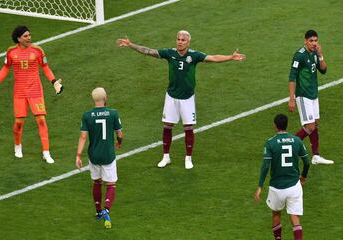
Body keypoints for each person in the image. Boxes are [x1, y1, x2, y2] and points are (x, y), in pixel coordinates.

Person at [117, 30, 245, 169]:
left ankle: (188, 158)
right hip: (171, 96)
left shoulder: (194, 55)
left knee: (188, 128)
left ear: (188, 42)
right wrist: (131, 45)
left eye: (183, 40)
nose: (179, 41)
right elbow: (149, 51)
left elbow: (213, 58)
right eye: (178, 39)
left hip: (187, 98)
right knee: (167, 126)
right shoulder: (170, 53)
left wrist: (230, 57)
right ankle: (166, 157)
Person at [0, 25, 63, 163]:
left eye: (29, 35)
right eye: (25, 36)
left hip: (35, 91)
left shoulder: (38, 51)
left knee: (41, 120)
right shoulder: (11, 52)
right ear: (18, 38)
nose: (29, 38)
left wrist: (54, 83)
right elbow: (5, 68)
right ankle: (17, 145)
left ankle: (46, 152)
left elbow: (45, 67)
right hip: (20, 92)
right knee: (19, 123)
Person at [255, 114, 310, 240]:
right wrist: (303, 177)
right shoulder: (297, 140)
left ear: (275, 126)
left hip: (277, 187)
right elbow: (307, 162)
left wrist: (259, 186)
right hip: (294, 186)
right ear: (287, 125)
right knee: (295, 218)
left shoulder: (270, 143)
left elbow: (265, 166)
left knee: (276, 215)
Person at [76, 87, 123, 229]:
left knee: (97, 182)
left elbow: (83, 137)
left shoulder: (87, 115)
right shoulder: (113, 114)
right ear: (105, 98)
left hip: (94, 155)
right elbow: (120, 134)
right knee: (111, 184)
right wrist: (118, 143)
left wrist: (78, 155)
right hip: (108, 154)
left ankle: (98, 212)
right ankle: (106, 209)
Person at [288, 29, 333, 165]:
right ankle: (289, 146)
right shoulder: (299, 56)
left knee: (315, 124)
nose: (314, 43)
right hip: (303, 96)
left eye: (315, 40)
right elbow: (292, 77)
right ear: (305, 41)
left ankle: (316, 156)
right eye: (311, 41)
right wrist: (291, 98)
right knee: (310, 126)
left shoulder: (315, 53)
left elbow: (324, 70)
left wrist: (320, 56)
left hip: (313, 94)